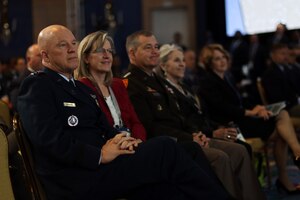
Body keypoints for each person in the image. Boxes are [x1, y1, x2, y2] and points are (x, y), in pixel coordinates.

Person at [17, 25, 230, 200]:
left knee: (181, 166)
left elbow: (104, 127)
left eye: (73, 43)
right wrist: (100, 155)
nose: (72, 49)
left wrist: (122, 140)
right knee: (165, 147)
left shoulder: (79, 89)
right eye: (62, 46)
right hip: (77, 178)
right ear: (44, 55)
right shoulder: (38, 86)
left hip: (103, 168)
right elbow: (49, 141)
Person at [124, 30, 265, 200]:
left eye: (156, 47)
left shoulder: (157, 80)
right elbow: (151, 126)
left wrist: (197, 134)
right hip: (171, 145)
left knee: (239, 151)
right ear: (132, 53)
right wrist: (190, 138)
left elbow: (180, 116)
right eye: (148, 48)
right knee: (220, 158)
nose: (155, 51)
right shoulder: (130, 83)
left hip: (188, 137)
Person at [198, 43, 300, 194]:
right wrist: (251, 112)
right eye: (217, 59)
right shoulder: (208, 81)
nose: (222, 61)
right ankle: (294, 157)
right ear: (209, 62)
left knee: (282, 115)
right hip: (230, 125)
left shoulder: (227, 76)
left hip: (242, 119)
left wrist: (258, 108)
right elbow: (224, 109)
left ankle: (292, 161)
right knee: (281, 131)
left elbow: (240, 102)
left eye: (224, 57)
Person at [9, 44, 43, 111]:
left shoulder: (47, 75)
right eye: (39, 55)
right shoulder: (20, 81)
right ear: (28, 59)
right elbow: (17, 105)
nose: (42, 58)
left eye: (43, 55)